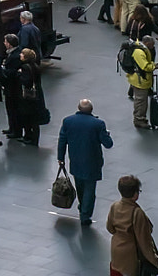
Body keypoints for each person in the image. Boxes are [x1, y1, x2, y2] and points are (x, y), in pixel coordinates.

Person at [55, 97, 113, 226]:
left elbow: (62, 140)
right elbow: (108, 144)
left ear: (78, 108)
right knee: (90, 190)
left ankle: (82, 207)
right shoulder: (98, 124)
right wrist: (106, 134)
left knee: (80, 186)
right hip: (93, 161)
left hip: (75, 160)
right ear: (91, 110)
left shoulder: (68, 121)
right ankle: (85, 215)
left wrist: (61, 157)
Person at [105, 174, 158, 276]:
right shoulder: (137, 213)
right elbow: (144, 241)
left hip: (116, 250)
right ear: (135, 194)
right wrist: (154, 260)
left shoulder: (114, 206)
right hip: (131, 254)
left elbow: (110, 228)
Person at [124, 32, 157, 131]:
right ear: (147, 43)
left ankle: (140, 118)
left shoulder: (139, 48)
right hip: (140, 80)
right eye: (151, 45)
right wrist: (154, 66)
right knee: (140, 101)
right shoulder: (139, 52)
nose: (152, 47)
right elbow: (145, 66)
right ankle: (139, 119)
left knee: (141, 100)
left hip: (138, 78)